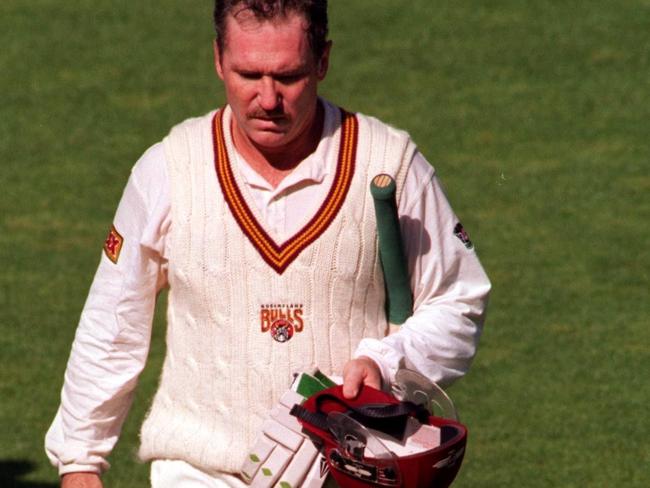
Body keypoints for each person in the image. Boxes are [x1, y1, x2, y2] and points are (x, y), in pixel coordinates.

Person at [45, 1, 491, 487]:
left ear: (323, 60)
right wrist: (80, 459)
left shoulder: (389, 163)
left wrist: (387, 361)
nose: (268, 98)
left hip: (345, 474)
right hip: (199, 472)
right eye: (248, 74)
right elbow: (113, 321)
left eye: (288, 76)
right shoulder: (169, 170)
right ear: (218, 58)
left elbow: (458, 299)